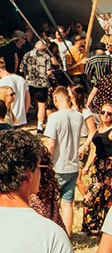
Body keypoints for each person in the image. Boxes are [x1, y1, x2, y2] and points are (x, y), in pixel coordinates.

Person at [43, 86, 84, 235]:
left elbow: (51, 144)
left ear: (56, 99)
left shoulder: (55, 117)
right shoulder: (78, 116)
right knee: (67, 203)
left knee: (50, 202)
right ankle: (67, 234)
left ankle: (51, 234)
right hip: (73, 165)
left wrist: (44, 161)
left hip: (57, 166)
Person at [81, 101, 112, 236]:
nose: (105, 115)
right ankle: (90, 227)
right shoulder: (98, 129)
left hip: (108, 169)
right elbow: (95, 150)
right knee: (90, 197)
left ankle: (102, 229)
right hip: (97, 168)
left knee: (105, 200)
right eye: (103, 112)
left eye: (109, 113)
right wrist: (87, 166)